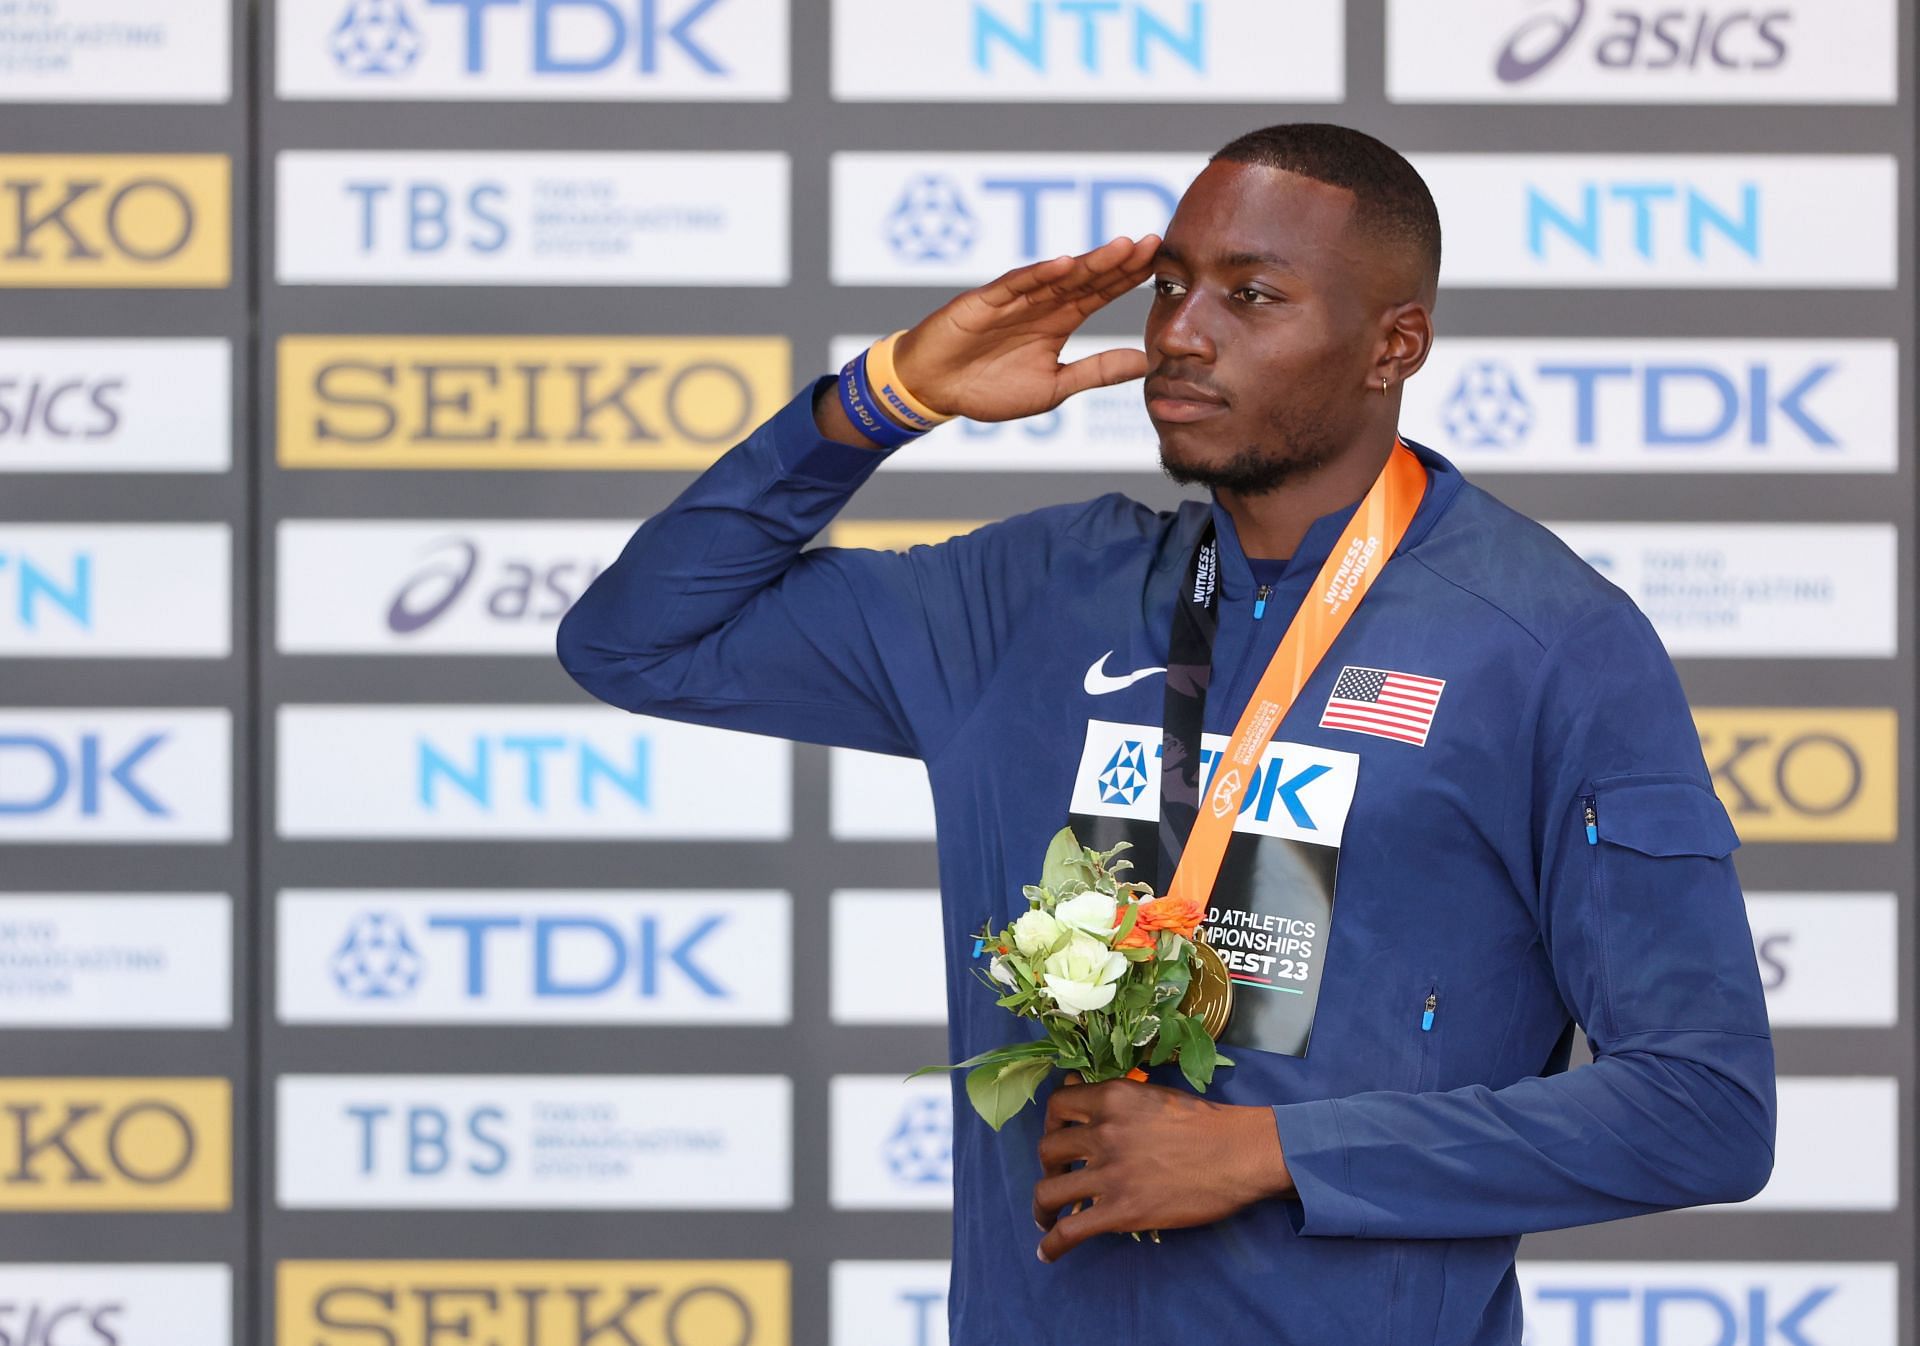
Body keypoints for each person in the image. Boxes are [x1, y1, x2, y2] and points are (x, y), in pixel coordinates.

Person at [557, 124, 1775, 1345]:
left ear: (1392, 345)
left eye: (1252, 294)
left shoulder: (1548, 642)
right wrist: (885, 399)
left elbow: (1703, 1105)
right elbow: (638, 640)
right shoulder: (1036, 597)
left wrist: (1275, 1150)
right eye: (1171, 285)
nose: (1181, 332)